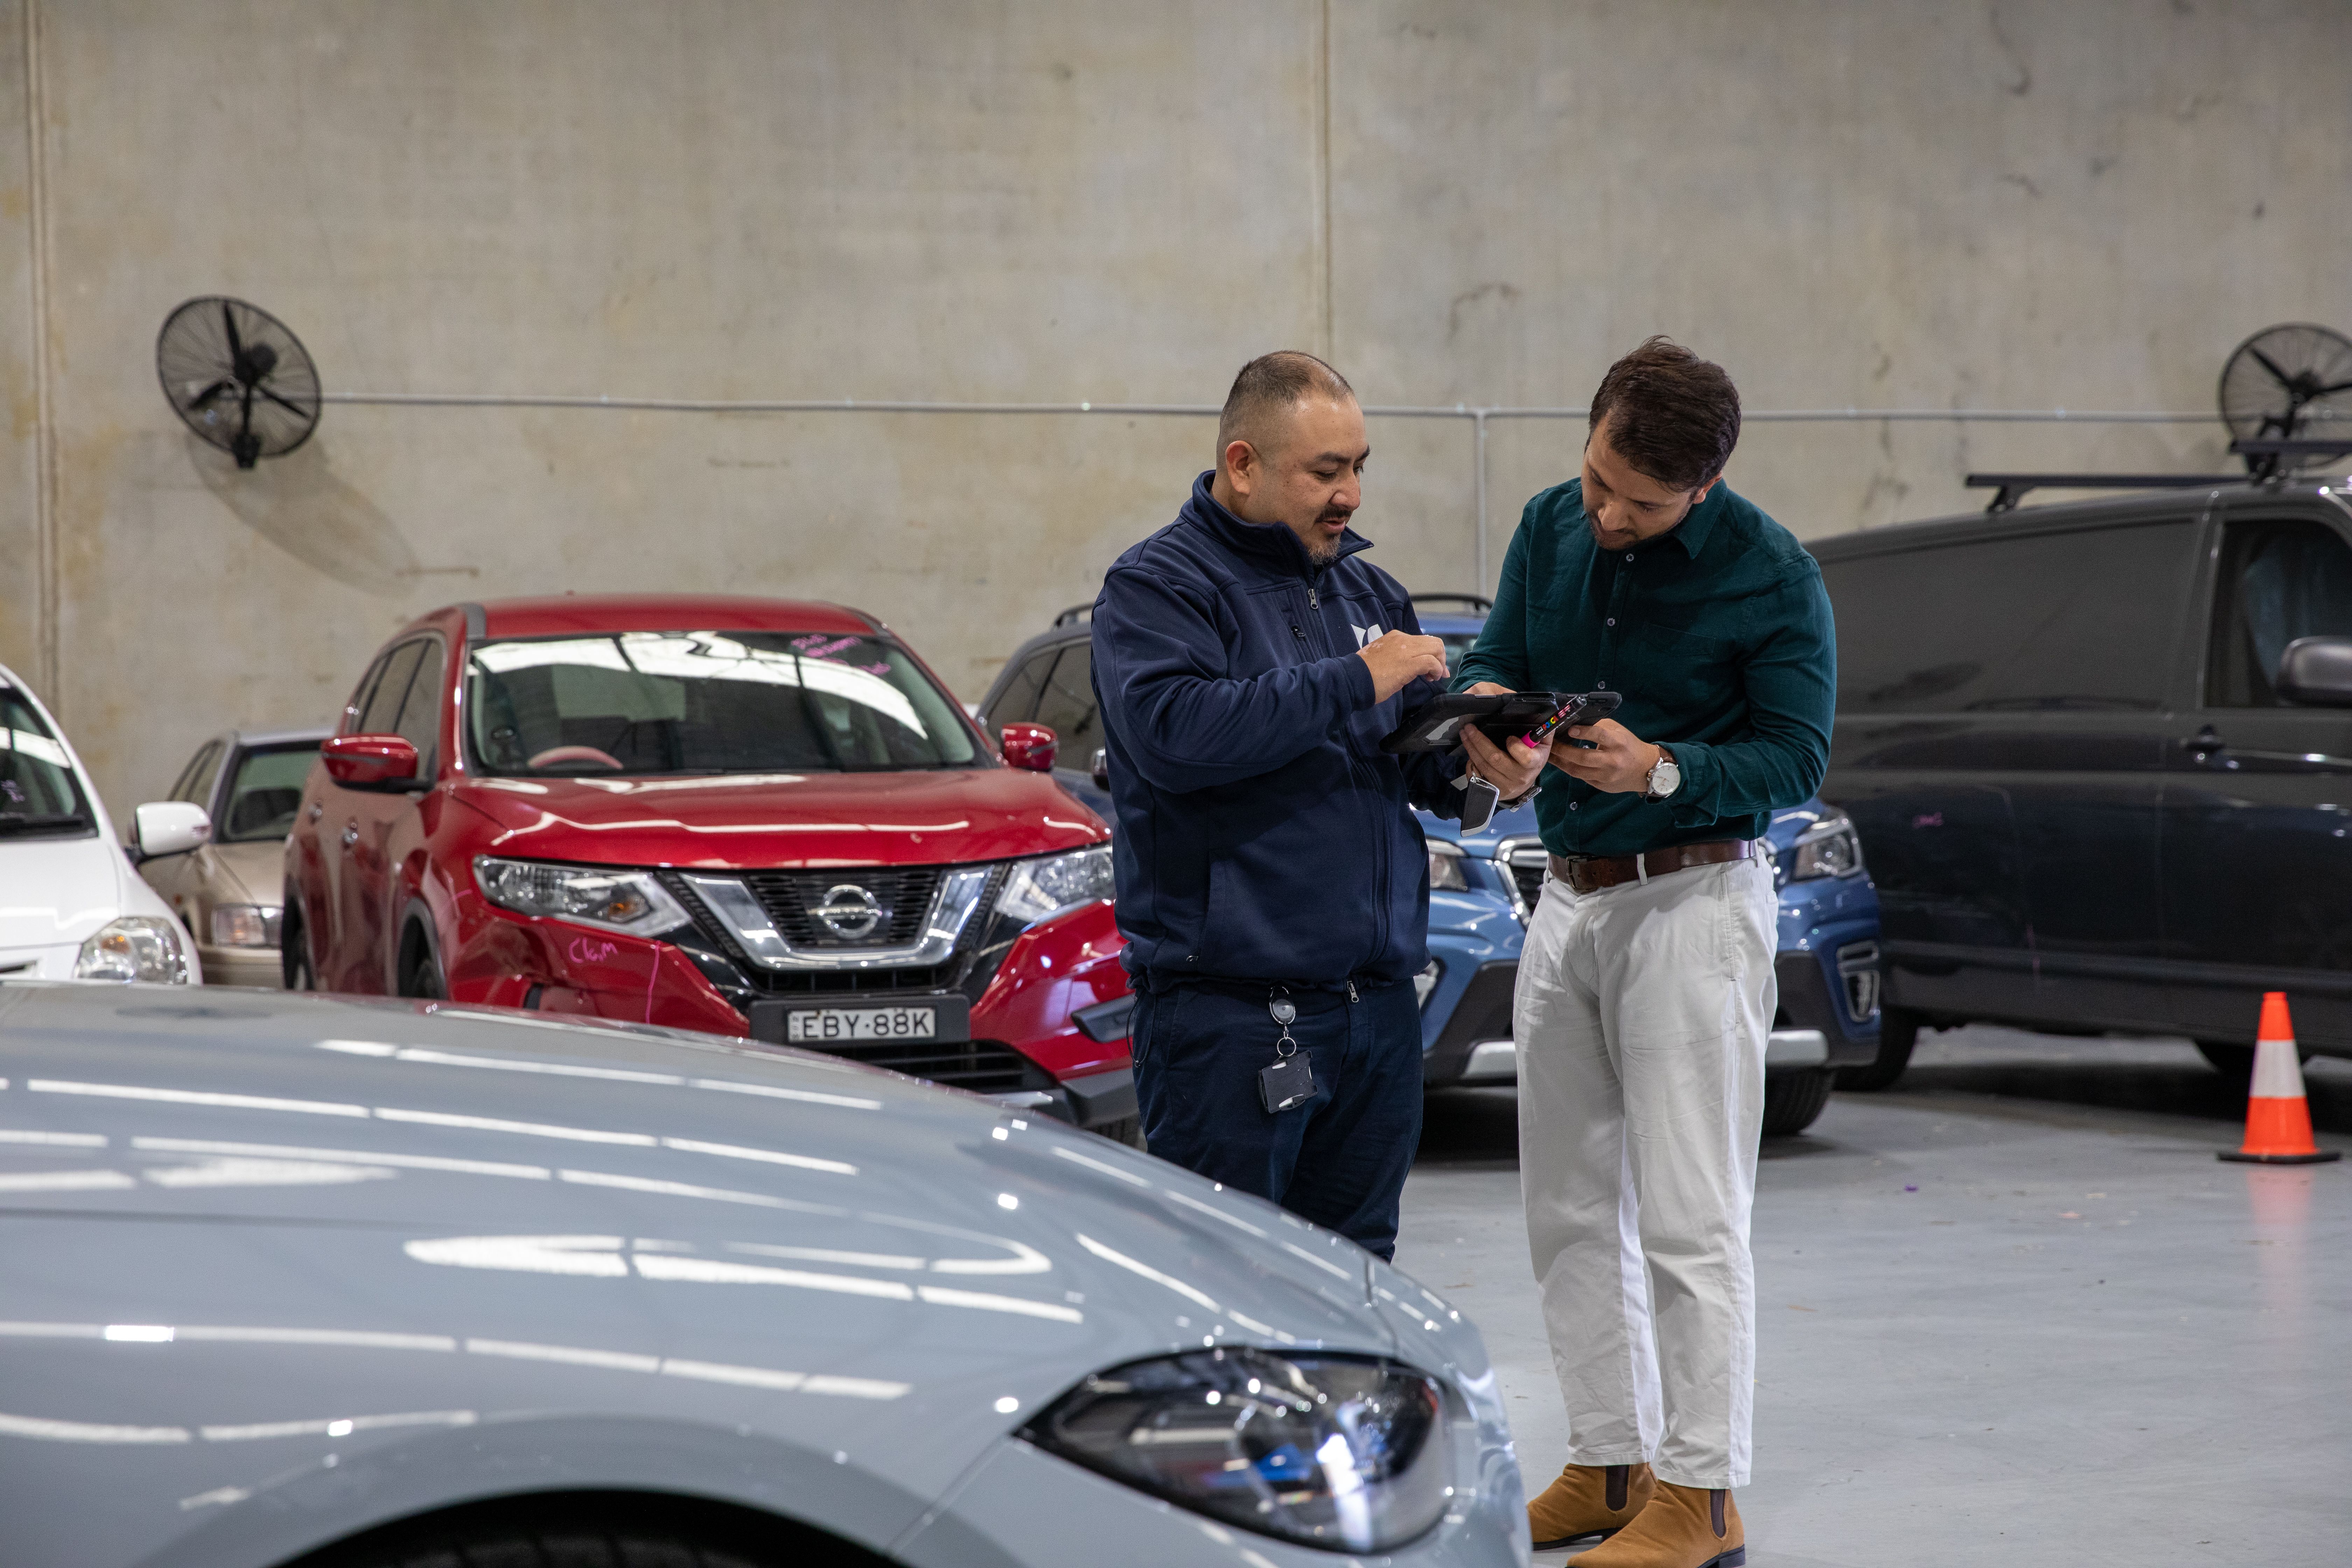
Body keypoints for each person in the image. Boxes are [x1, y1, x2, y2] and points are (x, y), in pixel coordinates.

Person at [1454, 338, 1834, 1568]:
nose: (1610, 515)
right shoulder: (1547, 525)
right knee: (1564, 1207)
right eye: (1600, 479)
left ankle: (1704, 1496)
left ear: (1704, 488)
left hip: (1695, 904)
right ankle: (1610, 1461)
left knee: (1690, 1218)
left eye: (1644, 503)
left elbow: (1794, 757)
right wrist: (1490, 733)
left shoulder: (1774, 574)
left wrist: (1663, 768)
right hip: (1565, 899)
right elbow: (1492, 665)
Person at [1089, 351, 1546, 1261]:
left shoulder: (1369, 593)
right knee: (1226, 1284)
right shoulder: (1158, 589)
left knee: (1360, 1271)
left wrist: (1491, 766)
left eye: (1360, 468)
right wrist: (1354, 676)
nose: (1351, 497)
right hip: (1227, 1021)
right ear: (1244, 464)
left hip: (1375, 1012)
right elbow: (1180, 736)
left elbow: (1410, 769)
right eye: (1325, 473)